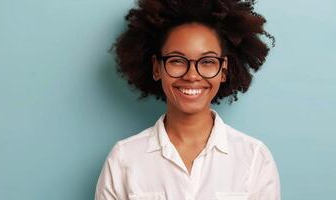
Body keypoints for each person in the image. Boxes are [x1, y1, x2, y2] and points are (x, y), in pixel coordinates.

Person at [95, 0, 280, 199]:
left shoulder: (254, 159)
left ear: (223, 70)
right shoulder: (124, 159)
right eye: (176, 60)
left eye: (207, 61)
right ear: (157, 68)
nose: (192, 75)